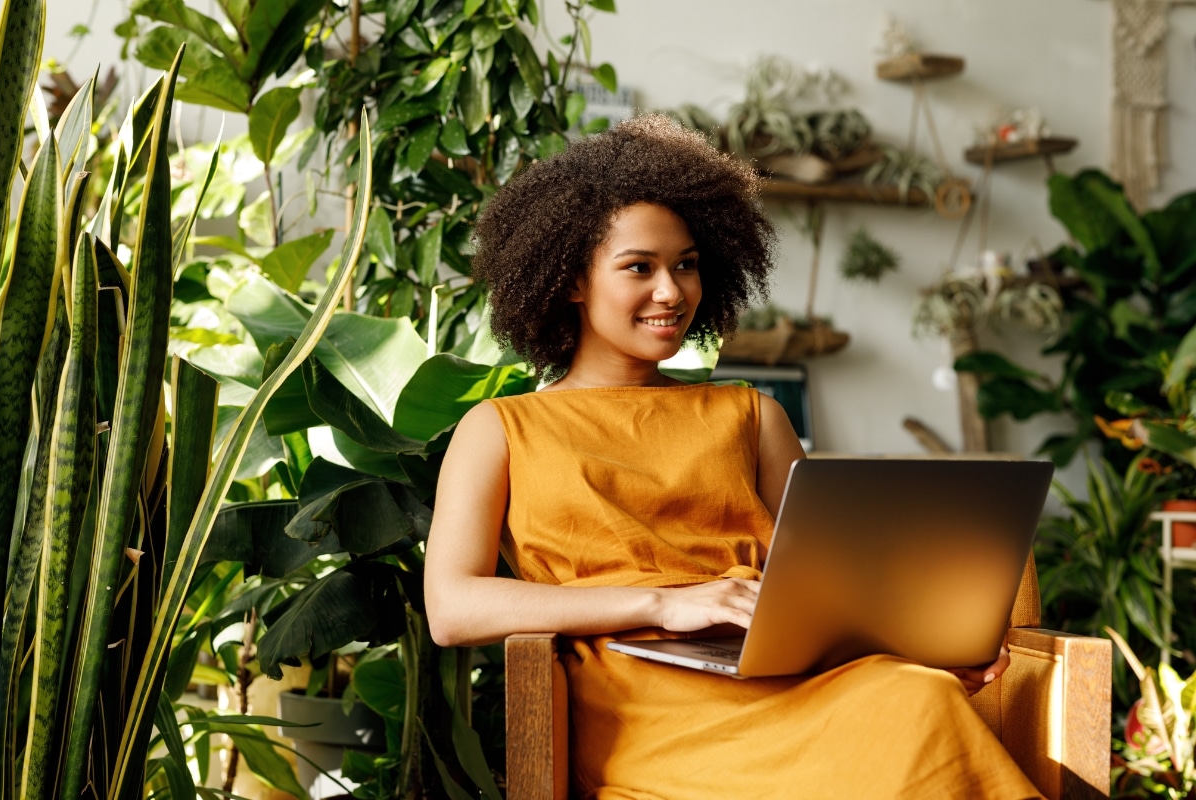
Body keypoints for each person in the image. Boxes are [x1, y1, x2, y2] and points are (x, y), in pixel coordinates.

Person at [424, 115, 1040, 799]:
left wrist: (922, 643)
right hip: (644, 706)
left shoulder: (751, 415)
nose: (672, 291)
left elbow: (823, 580)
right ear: (570, 279)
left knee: (916, 696)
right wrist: (666, 605)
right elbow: (452, 608)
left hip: (780, 676)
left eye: (686, 265)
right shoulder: (500, 428)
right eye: (639, 268)